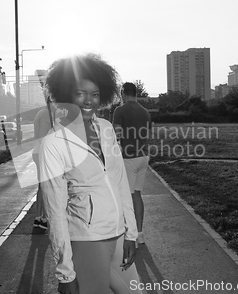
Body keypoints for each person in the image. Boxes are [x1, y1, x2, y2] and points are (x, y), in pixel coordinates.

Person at [38, 53, 143, 294]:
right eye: (80, 93)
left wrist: (131, 233)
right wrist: (65, 274)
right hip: (87, 241)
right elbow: (55, 213)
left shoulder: (105, 128)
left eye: (95, 94)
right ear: (65, 95)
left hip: (118, 236)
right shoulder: (53, 144)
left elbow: (119, 182)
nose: (89, 101)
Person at [113, 82, 151, 246]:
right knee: (136, 195)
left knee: (125, 197)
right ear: (136, 93)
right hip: (143, 156)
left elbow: (116, 136)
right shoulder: (145, 112)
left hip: (129, 157)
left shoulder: (120, 110)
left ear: (123, 93)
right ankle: (139, 233)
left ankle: (130, 235)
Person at [32, 99, 62, 230]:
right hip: (45, 153)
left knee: (42, 185)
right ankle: (44, 218)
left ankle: (38, 217)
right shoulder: (50, 115)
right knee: (47, 186)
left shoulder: (40, 113)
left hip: (37, 152)